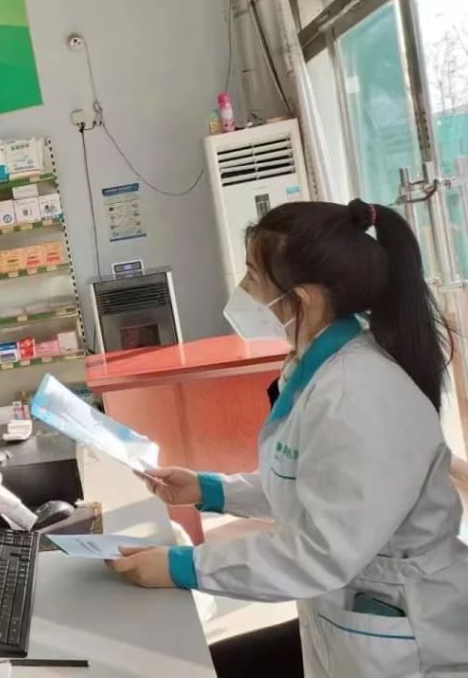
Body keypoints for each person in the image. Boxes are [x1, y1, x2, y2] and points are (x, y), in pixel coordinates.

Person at [108, 200, 468, 677]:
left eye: (253, 277)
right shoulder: (318, 364)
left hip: (406, 633)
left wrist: (183, 567)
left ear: (303, 299)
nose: (242, 291)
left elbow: (320, 551)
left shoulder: (356, 394)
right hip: (352, 607)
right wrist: (209, 489)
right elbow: (311, 482)